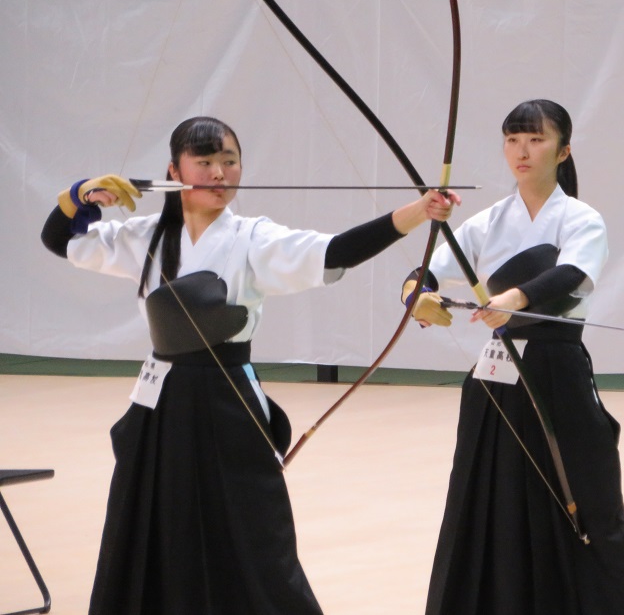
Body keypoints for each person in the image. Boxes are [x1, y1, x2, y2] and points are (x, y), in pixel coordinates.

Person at [40, 116, 456, 615]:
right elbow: (59, 238)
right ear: (175, 169)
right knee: (155, 521)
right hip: (161, 401)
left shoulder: (253, 238)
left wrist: (417, 212)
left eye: (230, 160)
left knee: (255, 533)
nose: (220, 173)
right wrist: (77, 196)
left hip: (227, 397)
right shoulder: (145, 235)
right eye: (206, 161)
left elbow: (334, 252)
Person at [403, 99, 624, 615]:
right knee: (488, 496)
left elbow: (571, 275)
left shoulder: (581, 219)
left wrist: (513, 299)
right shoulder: (489, 221)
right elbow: (426, 268)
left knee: (585, 491)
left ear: (563, 151)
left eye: (536, 139)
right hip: (496, 377)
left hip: (556, 371)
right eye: (514, 139)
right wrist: (416, 296)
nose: (523, 150)